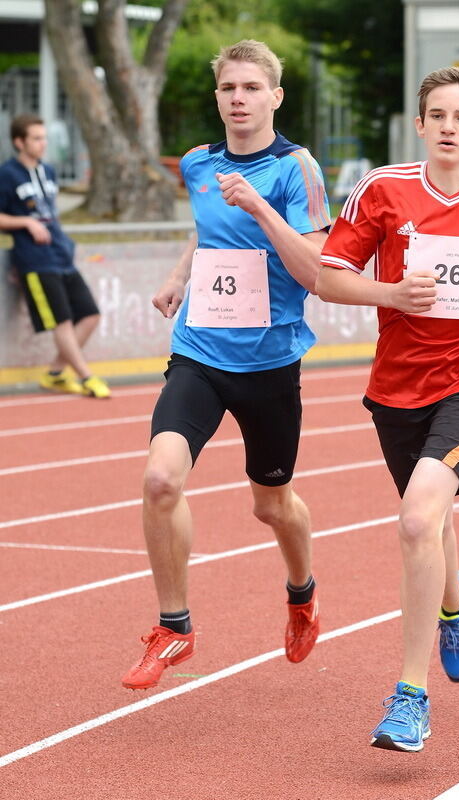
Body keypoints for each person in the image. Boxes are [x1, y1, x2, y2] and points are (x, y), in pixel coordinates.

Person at [317, 67, 459, 751]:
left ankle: (409, 699)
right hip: (397, 384)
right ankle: (456, 604)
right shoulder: (384, 189)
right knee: (430, 520)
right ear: (420, 125)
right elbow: (331, 276)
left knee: (417, 517)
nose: (449, 126)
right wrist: (391, 295)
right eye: (437, 115)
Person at [121, 40, 330, 690]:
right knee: (160, 480)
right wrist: (180, 275)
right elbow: (209, 231)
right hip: (200, 352)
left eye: (250, 87)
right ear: (217, 97)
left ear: (275, 95)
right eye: (228, 88)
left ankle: (302, 594)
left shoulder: (298, 169)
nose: (238, 99)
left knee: (272, 506)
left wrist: (260, 206)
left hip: (269, 365)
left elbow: (316, 270)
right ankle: (174, 626)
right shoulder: (198, 163)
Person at [0, 114, 110, 398]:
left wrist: (67, 244)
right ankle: (86, 376)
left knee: (90, 315)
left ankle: (55, 373)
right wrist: (26, 222)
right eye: (36, 138)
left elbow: (51, 213)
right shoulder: (7, 174)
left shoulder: (48, 171)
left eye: (44, 137)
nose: (42, 143)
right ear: (19, 142)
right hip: (34, 261)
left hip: (61, 255)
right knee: (61, 320)